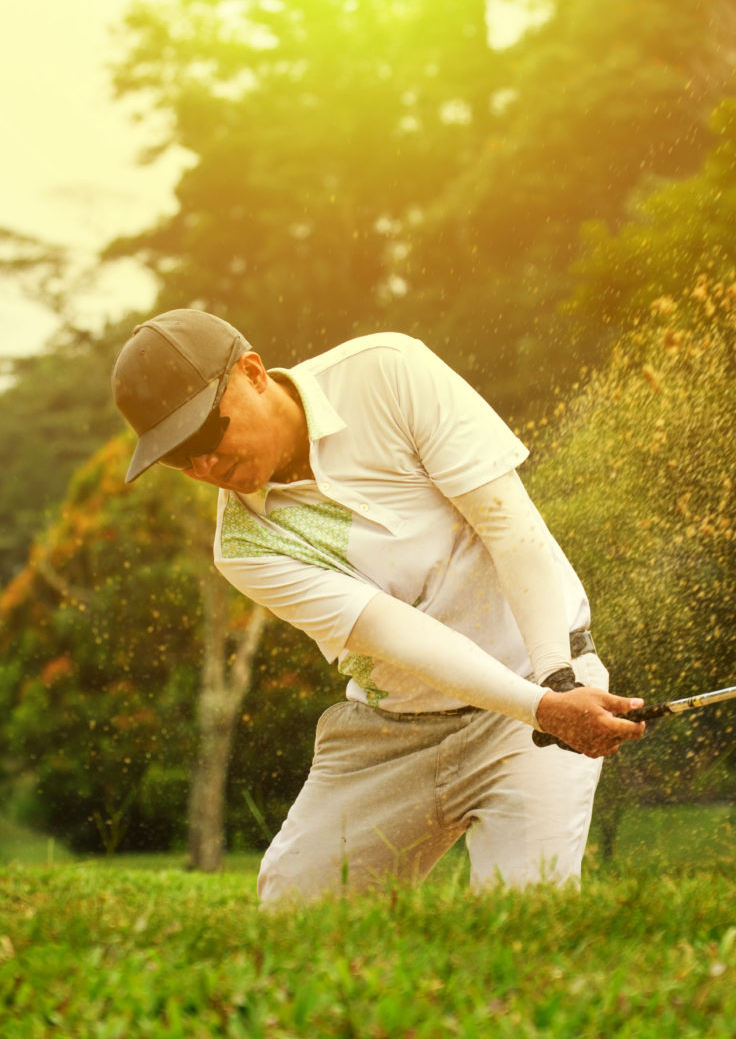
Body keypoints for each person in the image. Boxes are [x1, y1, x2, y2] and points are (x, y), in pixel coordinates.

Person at [111, 308, 645, 902]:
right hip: (392, 733)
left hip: (537, 690)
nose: (205, 466)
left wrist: (555, 682)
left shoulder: (387, 373)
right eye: (180, 459)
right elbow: (398, 635)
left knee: (525, 912)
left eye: (208, 435)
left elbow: (511, 530)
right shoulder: (242, 546)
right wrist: (544, 707)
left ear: (253, 372)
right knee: (292, 911)